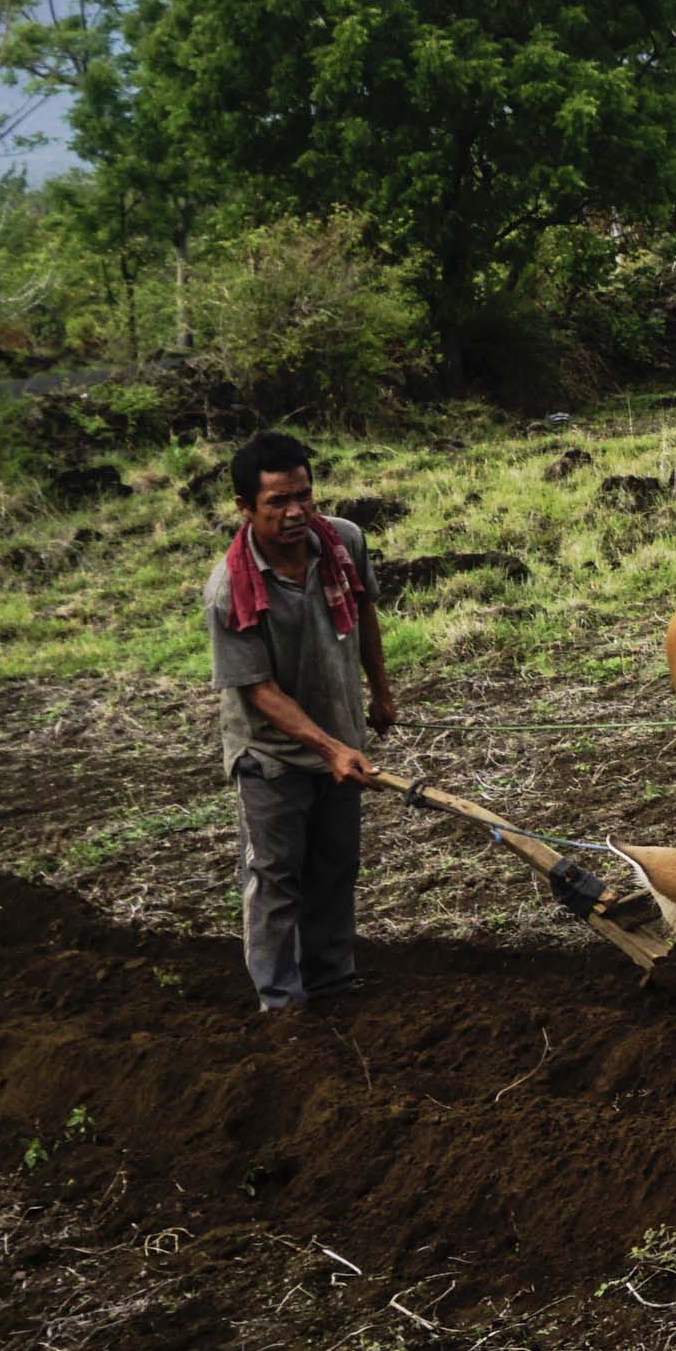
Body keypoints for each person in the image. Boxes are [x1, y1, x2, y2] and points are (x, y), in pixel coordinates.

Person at [204, 429, 397, 1014]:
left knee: (336, 867)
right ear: (245, 508)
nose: (295, 512)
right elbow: (258, 690)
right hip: (271, 757)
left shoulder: (342, 542)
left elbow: (364, 612)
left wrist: (381, 694)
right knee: (275, 880)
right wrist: (328, 749)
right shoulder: (229, 590)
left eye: (303, 496)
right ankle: (281, 1005)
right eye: (277, 503)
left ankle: (332, 982)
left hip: (339, 739)